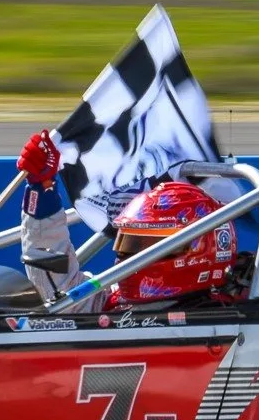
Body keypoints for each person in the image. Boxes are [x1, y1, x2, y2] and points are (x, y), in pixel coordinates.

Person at [15, 130, 240, 309]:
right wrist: (42, 189)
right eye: (129, 242)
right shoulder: (116, 302)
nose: (124, 258)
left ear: (195, 251)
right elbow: (62, 294)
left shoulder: (226, 321)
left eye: (144, 245)